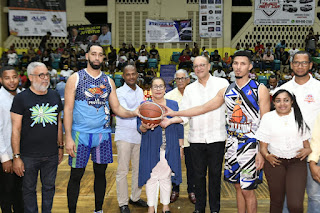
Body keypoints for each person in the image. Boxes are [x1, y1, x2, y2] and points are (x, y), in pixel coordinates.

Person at [162, 51, 269, 213]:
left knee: (248, 189)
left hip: (250, 147)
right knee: (238, 187)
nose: (239, 67)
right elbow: (203, 108)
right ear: (232, 66)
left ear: (250, 66)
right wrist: (174, 114)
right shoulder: (227, 90)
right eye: (236, 64)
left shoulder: (259, 89)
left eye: (243, 64)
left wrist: (262, 151)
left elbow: (266, 123)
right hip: (232, 146)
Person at [64, 44, 139, 213]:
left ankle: (98, 210)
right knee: (76, 175)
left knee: (100, 174)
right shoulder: (75, 78)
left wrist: (135, 112)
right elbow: (68, 109)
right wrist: (68, 137)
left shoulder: (108, 81)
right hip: (80, 135)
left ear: (103, 58)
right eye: (93, 54)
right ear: (87, 56)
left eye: (100, 55)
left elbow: (117, 109)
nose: (97, 57)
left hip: (102, 135)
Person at [163, 55, 229, 213]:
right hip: (196, 139)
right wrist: (170, 120)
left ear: (209, 66)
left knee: (214, 177)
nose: (199, 68)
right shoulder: (190, 89)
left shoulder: (223, 84)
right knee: (198, 177)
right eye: (196, 66)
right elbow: (185, 115)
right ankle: (199, 208)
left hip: (217, 138)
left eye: (202, 65)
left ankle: (215, 209)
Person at [11, 62, 64, 213]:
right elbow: (16, 129)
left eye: (47, 74)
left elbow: (58, 124)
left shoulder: (54, 95)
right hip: (28, 156)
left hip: (51, 154)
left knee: (49, 188)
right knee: (28, 190)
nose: (46, 78)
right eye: (41, 75)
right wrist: (16, 157)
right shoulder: (21, 99)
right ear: (31, 77)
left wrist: (60, 146)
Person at [256, 89, 311, 213]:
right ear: (273, 103)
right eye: (278, 101)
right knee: (276, 201)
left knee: (295, 204)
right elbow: (263, 146)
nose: (282, 104)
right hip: (275, 162)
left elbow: (306, 144)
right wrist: (267, 156)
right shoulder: (268, 118)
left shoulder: (298, 115)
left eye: (286, 100)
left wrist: (307, 150)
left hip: (297, 162)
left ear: (291, 101)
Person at [279, 51, 320, 213]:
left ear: (310, 65)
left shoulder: (318, 88)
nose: (300, 66)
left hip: (315, 151)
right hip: (290, 151)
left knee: (315, 196)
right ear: (291, 64)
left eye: (304, 63)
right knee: (289, 197)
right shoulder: (284, 89)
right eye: (296, 62)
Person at [138, 77, 183, 213]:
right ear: (150, 90)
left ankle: (165, 206)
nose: (158, 89)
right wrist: (144, 126)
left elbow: (179, 126)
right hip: (150, 146)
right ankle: (151, 207)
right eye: (155, 86)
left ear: (165, 89)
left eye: (161, 86)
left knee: (166, 177)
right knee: (151, 177)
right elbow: (139, 127)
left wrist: (181, 147)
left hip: (170, 146)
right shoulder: (144, 105)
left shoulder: (173, 104)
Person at [115, 65, 147, 213]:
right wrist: (139, 112)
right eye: (128, 74)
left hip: (139, 135)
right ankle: (122, 202)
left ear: (137, 74)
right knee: (122, 170)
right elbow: (124, 112)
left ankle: (135, 197)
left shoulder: (141, 91)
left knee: (138, 169)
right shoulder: (119, 92)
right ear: (123, 76)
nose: (131, 77)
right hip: (124, 135)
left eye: (133, 74)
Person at [164, 69, 196, 204]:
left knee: (192, 166)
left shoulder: (194, 94)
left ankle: (192, 190)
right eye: (178, 79)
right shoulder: (169, 96)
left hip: (193, 134)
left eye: (183, 78)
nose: (180, 81)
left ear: (188, 79)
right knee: (173, 165)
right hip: (175, 135)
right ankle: (175, 189)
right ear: (174, 81)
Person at [0, 66, 23, 213]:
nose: (11, 81)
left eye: (14, 77)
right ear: (1, 80)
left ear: (19, 77)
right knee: (6, 195)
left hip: (21, 155)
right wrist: (5, 157)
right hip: (7, 155)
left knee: (20, 194)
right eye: (7, 78)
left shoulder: (23, 96)